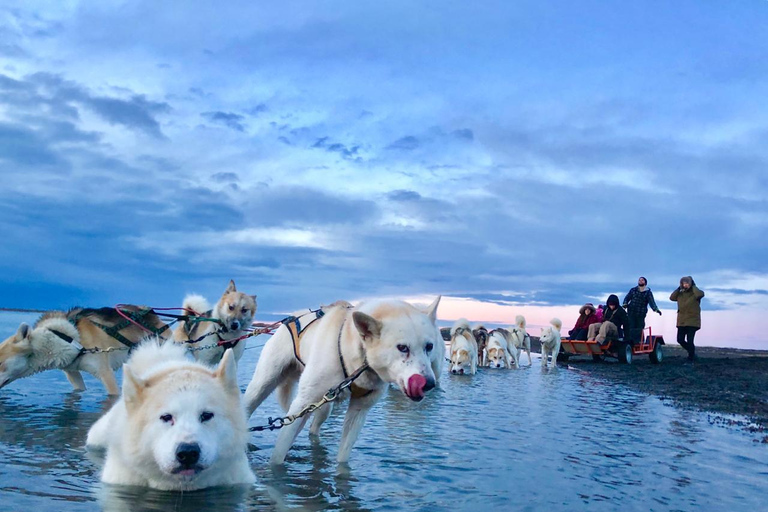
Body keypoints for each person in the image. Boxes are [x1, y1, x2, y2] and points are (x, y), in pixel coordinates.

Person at [670, 276, 705, 362]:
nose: (685, 285)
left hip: (692, 321)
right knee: (680, 339)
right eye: (683, 283)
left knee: (690, 340)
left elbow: (700, 294)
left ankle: (691, 358)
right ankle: (692, 353)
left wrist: (693, 286)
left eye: (687, 283)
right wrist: (679, 288)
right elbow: (672, 297)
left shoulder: (695, 293)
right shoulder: (680, 294)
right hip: (681, 320)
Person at [623, 276, 662, 344]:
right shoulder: (633, 290)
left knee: (639, 327)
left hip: (641, 312)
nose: (640, 281)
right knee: (631, 326)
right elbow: (627, 298)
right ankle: (631, 341)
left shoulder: (648, 292)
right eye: (639, 280)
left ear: (645, 282)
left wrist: (656, 309)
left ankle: (640, 341)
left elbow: (651, 302)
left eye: (642, 280)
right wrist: (625, 304)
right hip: (631, 311)